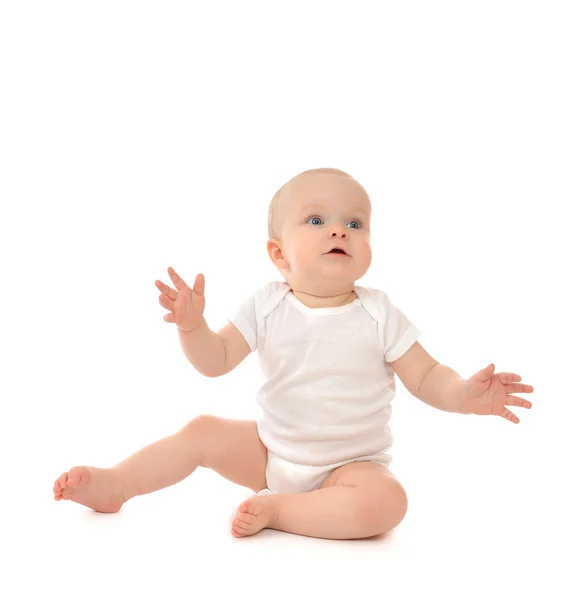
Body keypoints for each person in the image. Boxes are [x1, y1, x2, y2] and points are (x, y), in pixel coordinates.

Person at [53, 167, 534, 540]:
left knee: (388, 503)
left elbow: (427, 376)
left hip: (351, 468)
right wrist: (193, 326)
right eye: (317, 220)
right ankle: (117, 484)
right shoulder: (267, 304)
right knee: (201, 432)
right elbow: (215, 360)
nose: (339, 231)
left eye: (355, 222)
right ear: (279, 254)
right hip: (269, 453)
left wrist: (464, 395)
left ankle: (282, 511)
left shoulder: (379, 312)